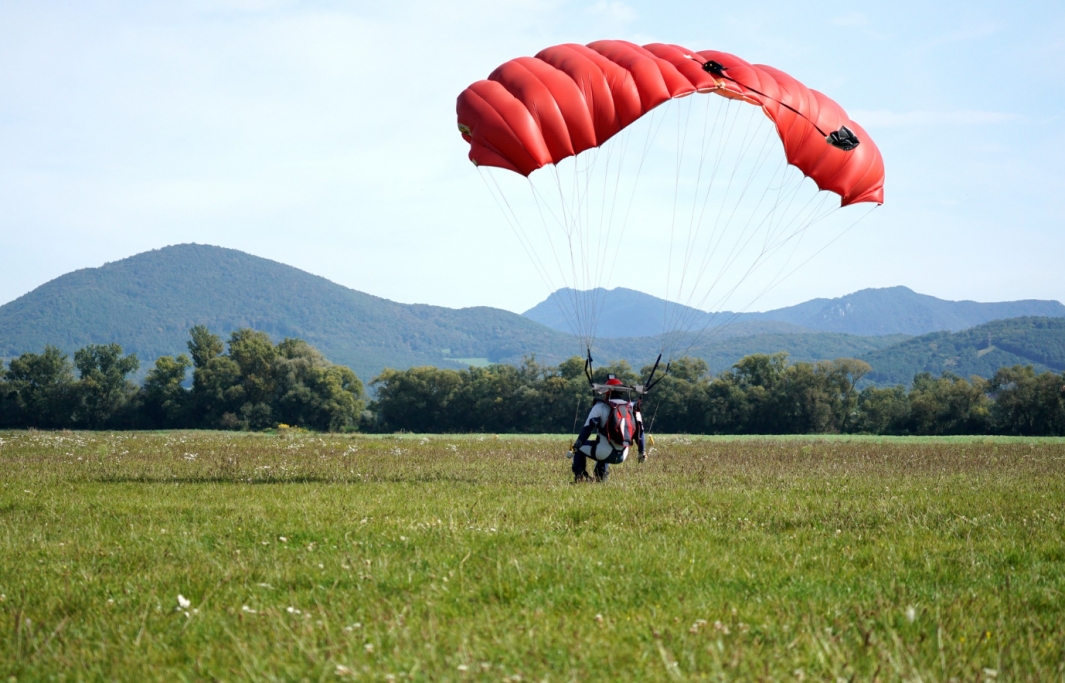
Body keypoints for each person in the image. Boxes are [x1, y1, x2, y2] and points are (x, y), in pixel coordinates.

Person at [570, 376, 646, 482]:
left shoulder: (600, 406)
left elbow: (587, 429)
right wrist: (641, 452)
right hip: (622, 455)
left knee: (582, 448)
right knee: (603, 443)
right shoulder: (632, 408)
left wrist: (574, 447)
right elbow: (640, 433)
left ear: (607, 392)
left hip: (604, 452)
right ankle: (601, 478)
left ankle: (581, 479)